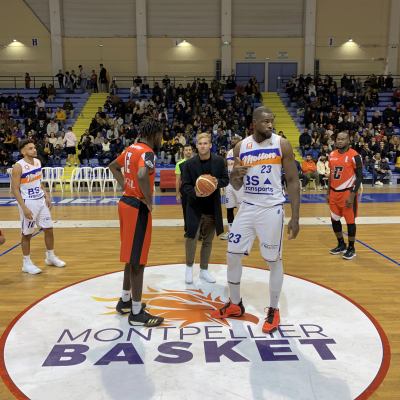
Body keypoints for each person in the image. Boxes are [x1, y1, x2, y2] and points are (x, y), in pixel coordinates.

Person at [210, 106, 300, 334]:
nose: (270, 125)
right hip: (248, 207)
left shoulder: (282, 144)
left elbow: (292, 180)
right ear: (254, 123)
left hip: (272, 209)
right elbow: (236, 184)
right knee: (232, 255)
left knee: (273, 260)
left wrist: (295, 217)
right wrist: (233, 175)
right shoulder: (241, 147)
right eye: (265, 121)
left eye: (272, 121)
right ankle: (235, 304)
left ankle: (273, 310)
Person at [109, 117, 165, 327]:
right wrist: (149, 201)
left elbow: (113, 167)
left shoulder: (131, 148)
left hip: (125, 203)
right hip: (136, 208)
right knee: (139, 261)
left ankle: (125, 301)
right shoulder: (148, 152)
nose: (161, 138)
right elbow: (142, 174)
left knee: (131, 256)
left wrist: (127, 188)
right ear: (155, 135)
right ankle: (136, 313)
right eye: (160, 135)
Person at [11, 139, 65, 274]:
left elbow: (39, 181)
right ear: (23, 152)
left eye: (34, 148)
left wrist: (46, 196)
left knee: (49, 229)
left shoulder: (38, 162)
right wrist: (23, 207)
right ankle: (26, 263)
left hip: (40, 200)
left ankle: (50, 256)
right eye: (30, 148)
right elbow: (15, 189)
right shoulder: (18, 166)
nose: (34, 150)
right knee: (27, 234)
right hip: (28, 202)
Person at [182, 133, 229, 284]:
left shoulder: (219, 161)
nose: (202, 146)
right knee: (191, 238)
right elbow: (185, 185)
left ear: (210, 145)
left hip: (211, 207)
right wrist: (195, 192)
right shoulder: (189, 164)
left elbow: (225, 180)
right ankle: (189, 268)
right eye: (200, 143)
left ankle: (203, 270)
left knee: (208, 241)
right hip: (194, 206)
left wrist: (216, 183)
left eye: (205, 143)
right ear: (196, 145)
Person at [326, 132, 363, 260]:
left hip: (348, 192)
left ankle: (351, 248)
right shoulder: (331, 155)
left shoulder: (355, 156)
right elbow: (331, 174)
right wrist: (328, 192)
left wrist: (353, 195)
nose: (340, 141)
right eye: (338, 139)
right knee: (334, 220)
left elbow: (359, 176)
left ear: (348, 140)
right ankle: (341, 244)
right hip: (333, 192)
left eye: (343, 139)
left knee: (350, 221)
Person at [220, 135, 243, 240]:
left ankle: (243, 230)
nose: (232, 140)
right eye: (232, 138)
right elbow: (225, 167)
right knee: (229, 208)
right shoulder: (228, 153)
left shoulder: (244, 152)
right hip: (229, 184)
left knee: (242, 209)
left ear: (240, 140)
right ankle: (230, 230)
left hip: (240, 184)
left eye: (235, 139)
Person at [175, 144, 193, 238]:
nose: (188, 151)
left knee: (198, 210)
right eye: (186, 150)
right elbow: (178, 180)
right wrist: (177, 194)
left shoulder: (197, 161)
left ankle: (200, 230)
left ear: (192, 151)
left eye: (190, 150)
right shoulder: (179, 164)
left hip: (196, 190)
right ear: (183, 151)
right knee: (186, 211)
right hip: (185, 190)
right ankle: (187, 230)